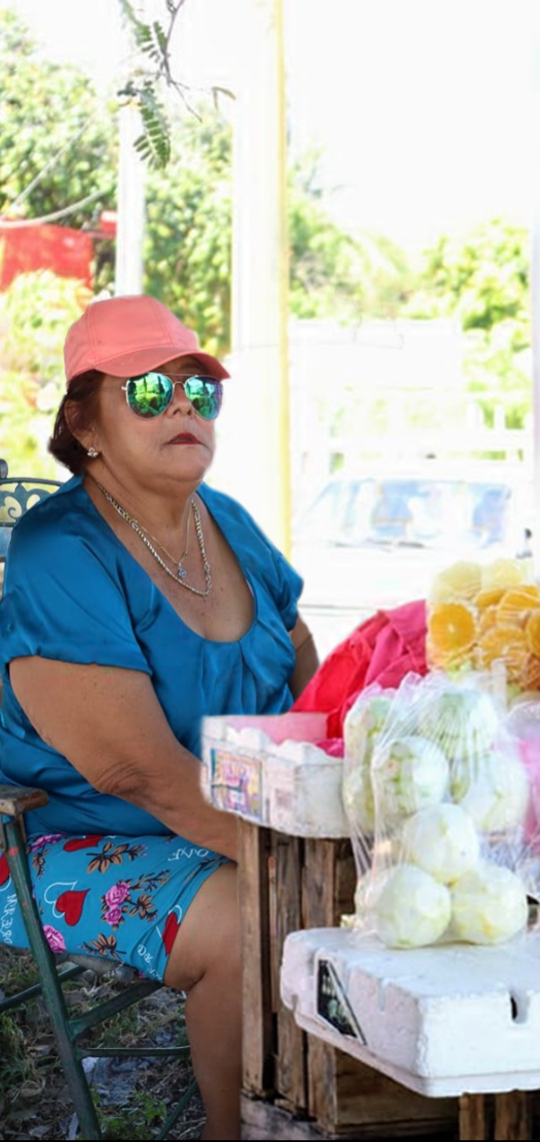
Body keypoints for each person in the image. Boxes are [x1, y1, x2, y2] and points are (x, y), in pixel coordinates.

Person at [0, 295, 319, 1140]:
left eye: (199, 390)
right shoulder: (59, 548)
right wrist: (300, 854)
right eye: (148, 390)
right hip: (60, 839)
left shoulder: (233, 525)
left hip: (239, 817)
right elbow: (136, 771)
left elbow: (303, 658)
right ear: (86, 424)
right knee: (262, 921)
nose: (183, 405)